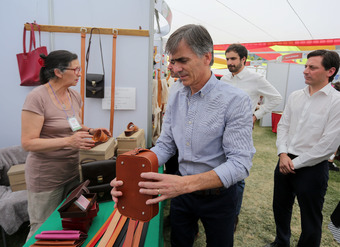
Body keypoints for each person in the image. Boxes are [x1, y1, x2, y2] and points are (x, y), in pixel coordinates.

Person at [111, 24, 256, 247]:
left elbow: (240, 164)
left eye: (183, 61)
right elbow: (166, 145)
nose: (175, 69)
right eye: (173, 61)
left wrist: (185, 184)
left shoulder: (235, 100)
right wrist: (131, 174)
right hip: (180, 192)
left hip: (219, 196)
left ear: (207, 57)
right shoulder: (178, 93)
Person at [22, 50, 111, 240]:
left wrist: (91, 131)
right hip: (45, 177)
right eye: (76, 69)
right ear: (58, 72)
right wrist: (69, 141)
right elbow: (28, 142)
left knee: (68, 220)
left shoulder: (73, 96)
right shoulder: (37, 98)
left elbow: (73, 125)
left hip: (71, 173)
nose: (80, 73)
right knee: (41, 228)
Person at [265, 50, 340, 247]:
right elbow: (283, 126)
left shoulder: (337, 101)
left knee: (311, 218)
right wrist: (282, 154)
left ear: (330, 71)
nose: (305, 71)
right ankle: (281, 242)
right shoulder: (295, 96)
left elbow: (328, 145)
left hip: (313, 167)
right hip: (284, 160)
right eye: (305, 66)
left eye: (312, 67)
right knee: (280, 208)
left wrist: (294, 162)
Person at [220, 43, 282, 229]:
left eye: (233, 59)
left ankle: (234, 216)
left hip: (243, 132)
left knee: (238, 176)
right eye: (228, 59)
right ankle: (221, 211)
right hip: (221, 131)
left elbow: (276, 98)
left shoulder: (256, 79)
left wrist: (256, 115)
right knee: (221, 172)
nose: (229, 62)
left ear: (243, 60)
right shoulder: (223, 79)